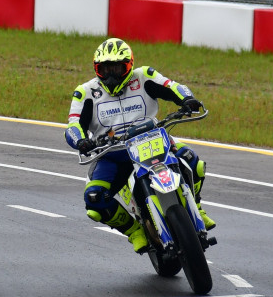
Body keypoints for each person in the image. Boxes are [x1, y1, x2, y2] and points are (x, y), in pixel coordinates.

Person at [64, 38, 214, 253]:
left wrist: (187, 99)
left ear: (129, 65)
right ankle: (135, 232)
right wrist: (80, 141)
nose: (111, 76)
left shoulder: (144, 76)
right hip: (113, 153)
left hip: (153, 141)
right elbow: (73, 125)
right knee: (94, 197)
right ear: (97, 69)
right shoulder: (85, 92)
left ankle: (197, 207)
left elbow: (173, 86)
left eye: (117, 68)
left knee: (193, 161)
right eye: (105, 69)